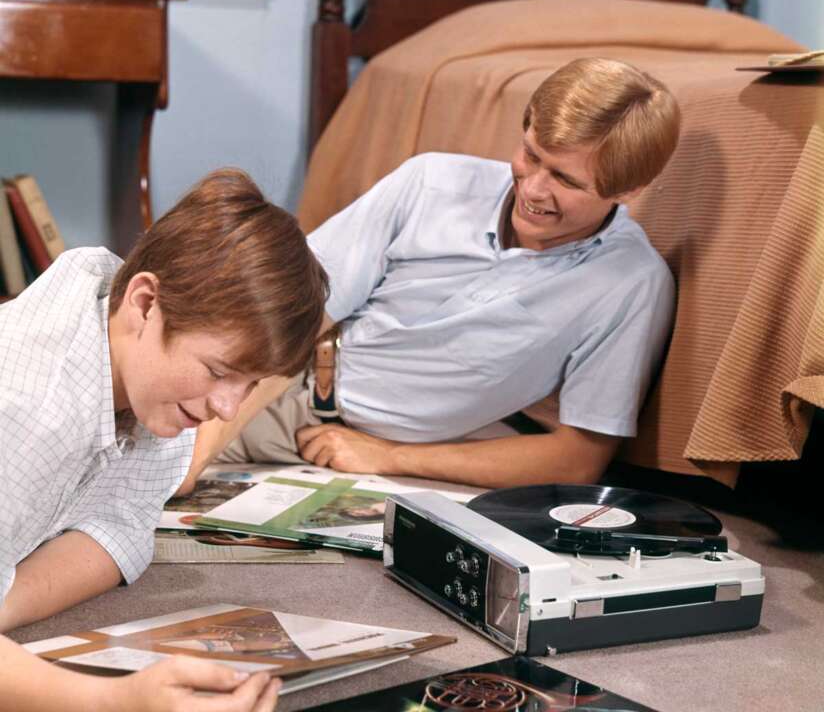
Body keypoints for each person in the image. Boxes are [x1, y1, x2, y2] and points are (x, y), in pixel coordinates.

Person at [182, 57, 680, 493]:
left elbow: (577, 461)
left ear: (629, 189)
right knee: (135, 440)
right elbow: (289, 316)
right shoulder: (430, 183)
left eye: (565, 180)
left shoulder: (632, 284)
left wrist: (389, 458)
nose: (533, 188)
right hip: (283, 381)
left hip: (416, 446)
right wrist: (193, 458)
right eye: (531, 155)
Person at [0, 168, 328, 712]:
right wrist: (121, 701)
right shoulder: (24, 404)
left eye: (248, 384)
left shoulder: (151, 380)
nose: (226, 407)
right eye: (219, 371)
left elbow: (121, 529)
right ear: (145, 303)